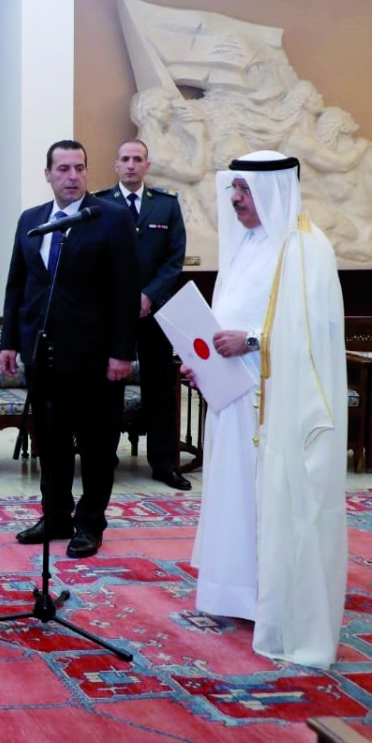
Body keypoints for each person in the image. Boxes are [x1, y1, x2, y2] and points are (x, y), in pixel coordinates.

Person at [184, 150, 346, 668]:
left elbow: (315, 331)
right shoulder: (248, 244)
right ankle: (234, 591)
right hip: (233, 396)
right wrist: (202, 360)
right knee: (234, 493)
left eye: (246, 192)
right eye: (234, 190)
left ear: (274, 191)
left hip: (277, 399)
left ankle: (272, 597)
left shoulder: (305, 248)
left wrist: (250, 340)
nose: (235, 200)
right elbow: (225, 320)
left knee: (270, 497)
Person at [1, 140, 139, 559]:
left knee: (97, 447)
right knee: (52, 441)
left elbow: (125, 290)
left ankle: (90, 523)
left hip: (96, 358)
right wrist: (9, 341)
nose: (72, 176)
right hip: (43, 355)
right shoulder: (32, 219)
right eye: (62, 169)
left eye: (79, 168)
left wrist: (122, 352)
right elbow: (17, 286)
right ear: (48, 174)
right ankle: (56, 515)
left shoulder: (111, 219)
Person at [93, 139, 190, 490]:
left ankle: (164, 463)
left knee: (161, 389)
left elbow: (174, 258)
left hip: (156, 313)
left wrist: (149, 295)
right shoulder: (101, 204)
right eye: (125, 159)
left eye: (138, 159)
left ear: (147, 165)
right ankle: (104, 457)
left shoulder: (165, 205)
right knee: (109, 387)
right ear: (115, 165)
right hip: (112, 315)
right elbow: (94, 258)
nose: (131, 165)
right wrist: (123, 299)